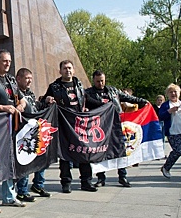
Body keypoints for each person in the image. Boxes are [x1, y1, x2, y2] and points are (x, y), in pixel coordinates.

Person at [84, 70, 149, 187]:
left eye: (102, 80)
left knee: (121, 150)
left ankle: (122, 176)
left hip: (116, 125)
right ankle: (101, 178)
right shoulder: (88, 93)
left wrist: (143, 101)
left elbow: (129, 98)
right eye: (98, 81)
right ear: (93, 80)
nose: (100, 83)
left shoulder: (113, 91)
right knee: (100, 152)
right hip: (100, 126)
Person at [44, 60, 97, 193]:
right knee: (65, 155)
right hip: (63, 125)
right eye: (65, 68)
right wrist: (47, 100)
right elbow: (44, 100)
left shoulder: (79, 84)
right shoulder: (54, 86)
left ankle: (86, 181)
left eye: (69, 68)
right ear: (60, 71)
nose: (67, 70)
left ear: (73, 70)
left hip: (79, 124)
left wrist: (103, 104)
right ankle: (66, 182)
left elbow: (87, 100)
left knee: (84, 152)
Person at [0, 50, 27, 208]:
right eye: (4, 61)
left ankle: (10, 196)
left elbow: (22, 100)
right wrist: (2, 107)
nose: (8, 63)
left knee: (10, 162)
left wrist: (20, 106)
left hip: (12, 125)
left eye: (9, 61)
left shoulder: (11, 80)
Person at [15, 67, 52, 198]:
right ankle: (22, 191)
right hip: (23, 133)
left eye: (31, 78)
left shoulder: (30, 93)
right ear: (18, 79)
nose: (29, 81)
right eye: (26, 78)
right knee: (26, 161)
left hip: (36, 130)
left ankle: (38, 185)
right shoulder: (16, 93)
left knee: (41, 157)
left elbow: (35, 107)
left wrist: (45, 103)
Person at [158, 83, 181, 181]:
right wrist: (169, 111)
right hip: (173, 131)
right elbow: (161, 117)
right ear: (167, 94)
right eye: (171, 92)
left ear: (179, 93)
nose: (173, 94)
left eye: (175, 92)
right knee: (178, 150)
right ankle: (166, 167)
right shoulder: (165, 105)